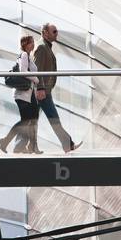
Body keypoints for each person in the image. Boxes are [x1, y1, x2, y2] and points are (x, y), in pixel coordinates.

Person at [32, 22, 81, 153]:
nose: (56, 33)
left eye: (57, 31)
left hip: (42, 90)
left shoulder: (46, 47)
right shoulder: (42, 48)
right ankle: (68, 144)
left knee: (32, 120)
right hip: (42, 92)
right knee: (53, 119)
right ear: (45, 33)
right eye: (54, 31)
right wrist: (40, 88)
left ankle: (28, 147)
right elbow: (37, 70)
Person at [0, 34, 41, 154]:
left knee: (31, 119)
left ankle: (28, 146)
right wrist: (36, 79)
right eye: (31, 42)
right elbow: (23, 71)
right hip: (22, 94)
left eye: (33, 42)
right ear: (25, 44)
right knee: (25, 121)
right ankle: (5, 142)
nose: (33, 44)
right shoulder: (24, 55)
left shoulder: (29, 56)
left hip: (29, 93)